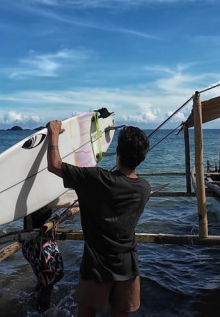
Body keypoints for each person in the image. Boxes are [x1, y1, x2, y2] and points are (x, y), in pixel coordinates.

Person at [46, 120, 151, 317]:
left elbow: (54, 165)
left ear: (118, 152)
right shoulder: (145, 189)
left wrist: (53, 133)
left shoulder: (96, 179)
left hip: (96, 266)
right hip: (128, 266)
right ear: (142, 158)